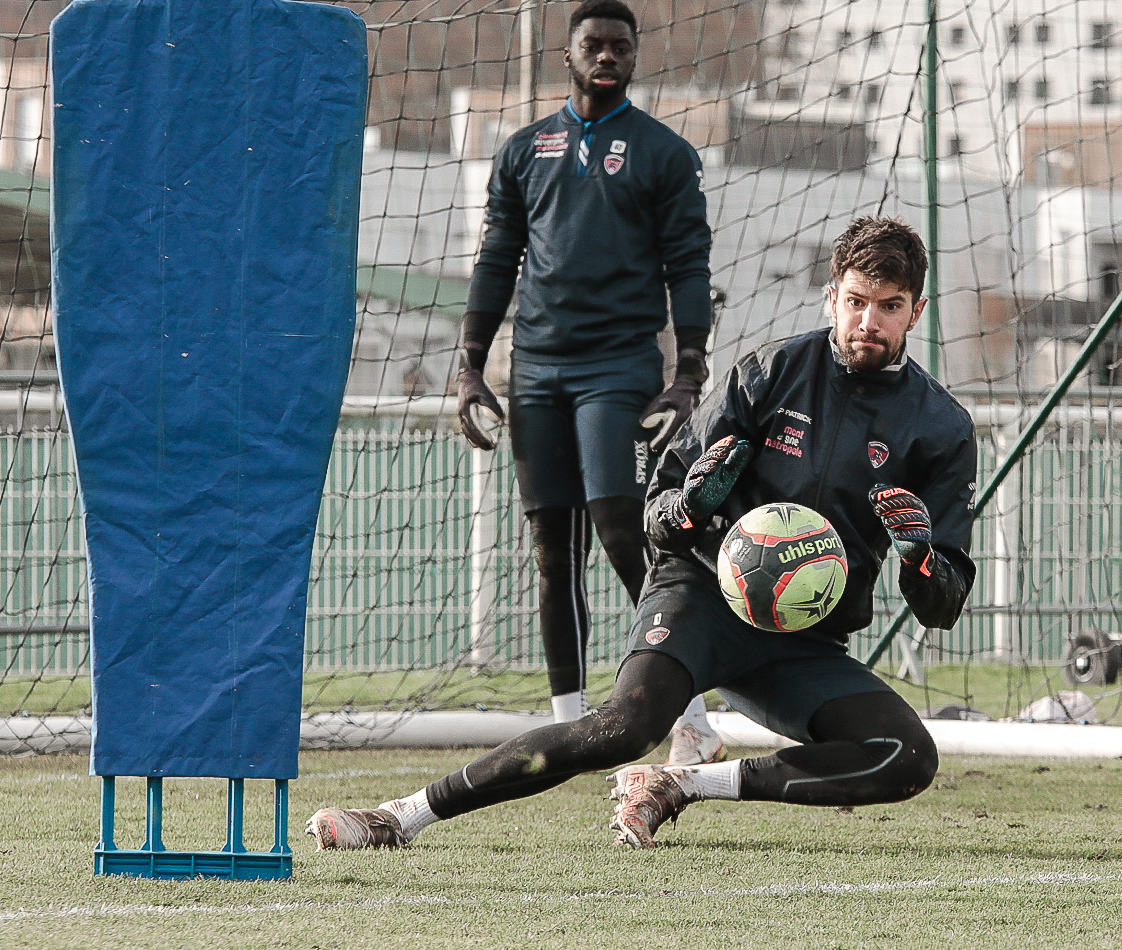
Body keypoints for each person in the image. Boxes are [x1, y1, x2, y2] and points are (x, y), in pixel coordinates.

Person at [307, 215, 978, 851]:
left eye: (889, 306)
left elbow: (944, 605)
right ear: (832, 298)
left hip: (803, 638)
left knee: (907, 758)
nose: (869, 322)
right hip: (702, 596)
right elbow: (659, 512)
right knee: (626, 727)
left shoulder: (940, 428)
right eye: (856, 302)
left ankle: (682, 783)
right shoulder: (768, 374)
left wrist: (920, 557)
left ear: (915, 311)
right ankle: (399, 816)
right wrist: (691, 505)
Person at [454, 0, 721, 760]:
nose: (606, 56)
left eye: (619, 47)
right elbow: (496, 260)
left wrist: (688, 373)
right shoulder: (522, 150)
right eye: (594, 45)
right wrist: (470, 364)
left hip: (619, 368)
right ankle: (567, 724)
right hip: (536, 371)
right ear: (567, 54)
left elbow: (688, 267)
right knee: (552, 550)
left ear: (634, 56)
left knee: (623, 533)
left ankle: (690, 716)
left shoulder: (666, 153)